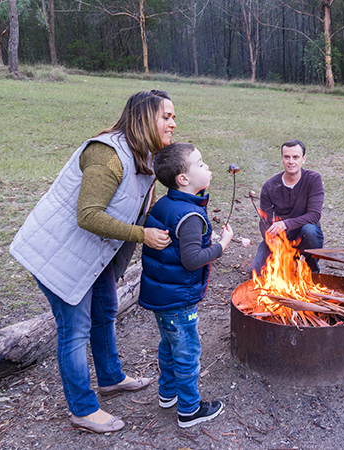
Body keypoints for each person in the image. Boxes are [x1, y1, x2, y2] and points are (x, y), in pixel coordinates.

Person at [9, 90, 175, 433]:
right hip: (57, 253)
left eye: (173, 117)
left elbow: (138, 210)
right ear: (144, 118)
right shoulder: (107, 154)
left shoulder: (144, 158)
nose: (173, 123)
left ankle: (111, 377)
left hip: (90, 254)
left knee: (104, 311)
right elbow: (88, 215)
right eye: (166, 116)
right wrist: (142, 236)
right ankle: (82, 410)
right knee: (75, 329)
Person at [137, 142, 233, 428]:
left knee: (168, 346)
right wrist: (222, 245)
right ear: (184, 179)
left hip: (162, 294)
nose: (207, 167)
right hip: (178, 300)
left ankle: (168, 394)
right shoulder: (190, 217)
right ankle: (189, 409)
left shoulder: (166, 203)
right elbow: (192, 260)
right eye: (201, 164)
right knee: (188, 353)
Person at [251, 139, 324, 275]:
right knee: (255, 272)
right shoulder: (270, 186)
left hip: (304, 234)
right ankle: (287, 265)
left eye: (295, 157)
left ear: (303, 159)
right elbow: (264, 221)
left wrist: (286, 224)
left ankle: (311, 270)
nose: (291, 161)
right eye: (287, 157)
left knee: (310, 231)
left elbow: (314, 215)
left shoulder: (313, 180)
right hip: (280, 237)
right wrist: (271, 239)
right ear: (282, 159)